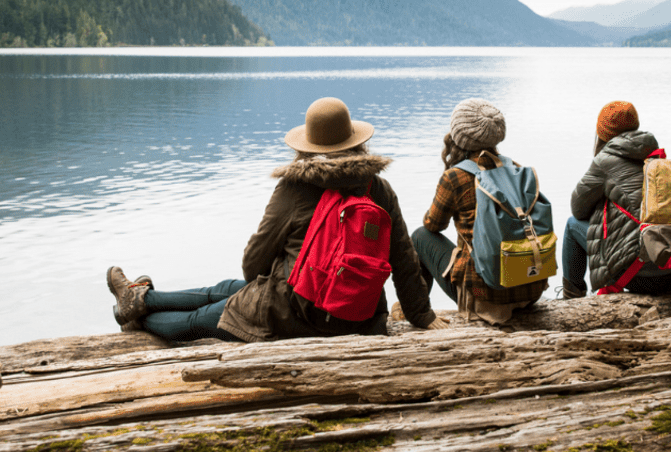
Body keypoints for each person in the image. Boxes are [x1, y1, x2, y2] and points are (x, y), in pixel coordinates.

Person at [107, 96, 445, 342]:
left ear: (308, 146)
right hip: (361, 316)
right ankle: (139, 298)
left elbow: (253, 263)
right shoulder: (378, 188)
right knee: (225, 290)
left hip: (296, 313)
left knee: (202, 319)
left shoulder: (295, 188)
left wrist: (265, 284)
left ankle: (137, 318)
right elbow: (403, 258)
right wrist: (422, 316)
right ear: (355, 142)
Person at [411, 98, 548, 324]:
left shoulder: (455, 176)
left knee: (419, 236)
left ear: (458, 136)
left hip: (486, 297)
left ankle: (418, 312)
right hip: (530, 291)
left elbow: (433, 225)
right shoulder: (517, 170)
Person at [563, 100, 671, 298]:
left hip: (642, 276)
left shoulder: (605, 161)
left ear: (602, 133)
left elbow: (578, 209)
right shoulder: (655, 156)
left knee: (573, 225)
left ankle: (571, 297)